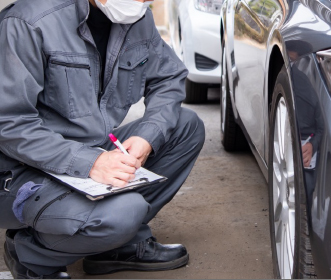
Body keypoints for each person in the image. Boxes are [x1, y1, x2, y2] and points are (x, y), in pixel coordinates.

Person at [0, 0, 205, 278]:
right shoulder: (29, 22)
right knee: (123, 213)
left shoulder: (136, 20)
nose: (144, 2)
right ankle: (30, 254)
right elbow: (9, 124)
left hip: (91, 153)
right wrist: (91, 162)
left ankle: (114, 248)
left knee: (186, 126)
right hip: (21, 172)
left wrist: (147, 136)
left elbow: (169, 78)